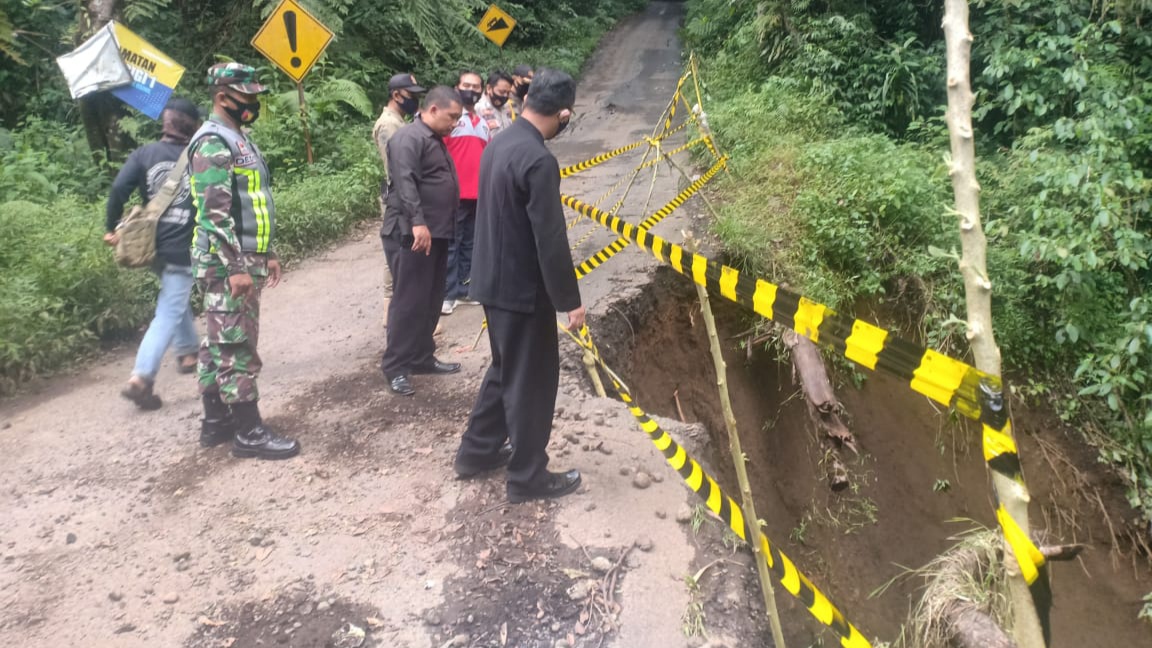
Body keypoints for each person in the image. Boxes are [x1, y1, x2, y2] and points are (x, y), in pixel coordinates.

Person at [453, 68, 584, 503]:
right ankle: (528, 476)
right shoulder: (539, 159)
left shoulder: (500, 143)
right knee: (531, 381)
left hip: (492, 282)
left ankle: (475, 453)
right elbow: (550, 238)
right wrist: (571, 301)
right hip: (523, 291)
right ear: (563, 113)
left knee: (506, 369)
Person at [188, 62, 300, 459]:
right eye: (246, 97)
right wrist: (236, 267)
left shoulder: (238, 138)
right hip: (226, 263)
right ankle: (248, 431)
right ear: (223, 98)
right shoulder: (213, 144)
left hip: (245, 255)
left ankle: (216, 422)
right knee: (235, 343)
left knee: (217, 340)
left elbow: (253, 202)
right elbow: (214, 215)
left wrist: (266, 252)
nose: (253, 103)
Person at [104, 97, 202, 410]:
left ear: (166, 123)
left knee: (175, 297)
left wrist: (111, 227)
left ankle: (188, 353)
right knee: (169, 311)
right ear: (192, 125)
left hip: (150, 247)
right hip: (183, 249)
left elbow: (118, 190)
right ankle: (141, 378)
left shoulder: (144, 153)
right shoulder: (200, 156)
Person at [380, 86, 464, 397]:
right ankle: (396, 365)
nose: (454, 123)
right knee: (409, 301)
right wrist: (418, 223)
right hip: (413, 233)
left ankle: (421, 356)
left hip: (437, 231)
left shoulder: (432, 138)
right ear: (431, 111)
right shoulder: (408, 138)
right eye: (451, 116)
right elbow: (405, 183)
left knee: (431, 298)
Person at [373, 73, 425, 320]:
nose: (415, 100)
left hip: (401, 195)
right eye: (411, 96)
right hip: (398, 197)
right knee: (397, 253)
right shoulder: (388, 125)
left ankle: (396, 313)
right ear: (396, 95)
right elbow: (397, 167)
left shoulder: (400, 121)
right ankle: (392, 313)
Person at [441, 71, 490, 316]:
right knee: (451, 244)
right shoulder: (449, 121)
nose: (471, 89)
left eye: (476, 86)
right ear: (456, 87)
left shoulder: (481, 123)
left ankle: (465, 289)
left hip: (478, 195)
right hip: (454, 193)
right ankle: (447, 294)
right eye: (466, 85)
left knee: (471, 243)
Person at [475, 70, 515, 138]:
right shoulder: (479, 109)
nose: (505, 96)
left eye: (508, 93)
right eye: (502, 92)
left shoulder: (507, 107)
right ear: (489, 88)